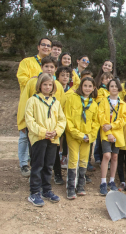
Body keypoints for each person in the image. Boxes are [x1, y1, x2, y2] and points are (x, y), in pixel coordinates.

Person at [17, 57, 64, 177]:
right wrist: (22, 122)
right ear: (41, 67)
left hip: (53, 129)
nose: (49, 69)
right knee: (36, 156)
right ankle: (35, 179)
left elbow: (62, 106)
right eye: (46, 66)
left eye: (52, 67)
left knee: (51, 156)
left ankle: (53, 178)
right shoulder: (32, 82)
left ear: (55, 69)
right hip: (36, 128)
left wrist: (59, 128)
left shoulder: (57, 84)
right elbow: (24, 103)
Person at [25, 73, 66, 206]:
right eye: (45, 84)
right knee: (38, 165)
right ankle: (34, 192)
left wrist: (57, 131)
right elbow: (30, 121)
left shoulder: (56, 102)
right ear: (40, 85)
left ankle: (46, 189)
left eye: (50, 85)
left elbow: (62, 120)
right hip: (39, 138)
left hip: (53, 139)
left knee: (48, 165)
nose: (47, 87)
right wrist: (43, 132)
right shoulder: (33, 100)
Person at [16, 38, 52, 177]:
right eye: (43, 44)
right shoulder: (27, 62)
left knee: (39, 135)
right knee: (25, 134)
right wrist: (37, 78)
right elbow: (22, 79)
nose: (46, 47)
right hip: (29, 100)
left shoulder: (50, 64)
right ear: (38, 46)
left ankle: (35, 162)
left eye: (48, 45)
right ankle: (24, 164)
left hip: (44, 105)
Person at [64, 77, 99, 199]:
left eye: (90, 86)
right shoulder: (72, 99)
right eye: (85, 86)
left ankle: (80, 185)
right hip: (73, 136)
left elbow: (96, 123)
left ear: (93, 88)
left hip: (87, 138)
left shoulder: (94, 104)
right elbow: (67, 118)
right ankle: (70, 187)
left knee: (84, 160)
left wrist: (89, 136)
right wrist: (78, 134)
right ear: (81, 86)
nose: (87, 88)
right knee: (73, 159)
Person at [98, 78, 126, 195]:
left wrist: (112, 126)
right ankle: (103, 182)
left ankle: (111, 181)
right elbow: (101, 118)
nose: (114, 88)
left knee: (115, 157)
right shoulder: (103, 102)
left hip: (117, 133)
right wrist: (108, 132)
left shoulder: (123, 104)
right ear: (108, 88)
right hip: (106, 133)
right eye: (111, 86)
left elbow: (123, 119)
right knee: (107, 155)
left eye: (116, 86)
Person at [53, 66, 74, 184]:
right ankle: (57, 174)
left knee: (69, 145)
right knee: (56, 146)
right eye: (62, 75)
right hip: (57, 122)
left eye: (67, 75)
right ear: (58, 76)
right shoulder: (54, 87)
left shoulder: (72, 90)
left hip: (69, 121)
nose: (65, 77)